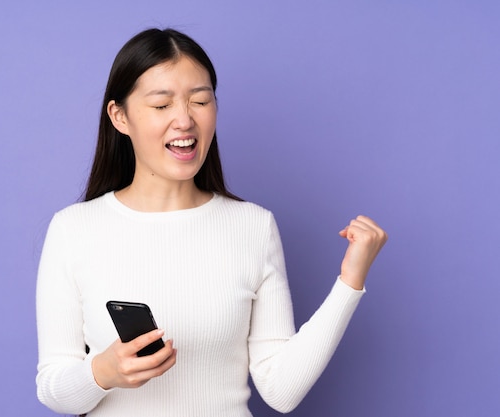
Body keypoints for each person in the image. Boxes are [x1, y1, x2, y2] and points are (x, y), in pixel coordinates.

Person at [35, 28, 387, 416]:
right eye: (161, 105)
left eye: (200, 101)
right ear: (120, 116)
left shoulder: (253, 226)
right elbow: (54, 389)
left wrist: (350, 283)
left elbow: (281, 389)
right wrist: (102, 371)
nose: (184, 120)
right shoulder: (74, 230)